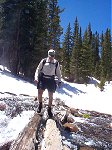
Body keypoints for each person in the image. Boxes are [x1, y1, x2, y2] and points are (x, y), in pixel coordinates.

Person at [34, 49, 61, 117]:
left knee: (50, 95)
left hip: (51, 80)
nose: (51, 57)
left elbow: (58, 72)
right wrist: (36, 78)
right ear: (48, 55)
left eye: (53, 55)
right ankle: (40, 105)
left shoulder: (56, 63)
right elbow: (38, 69)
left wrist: (59, 81)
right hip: (43, 79)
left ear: (54, 55)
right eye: (50, 55)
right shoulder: (43, 61)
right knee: (40, 92)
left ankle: (49, 108)